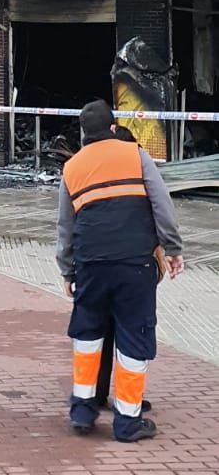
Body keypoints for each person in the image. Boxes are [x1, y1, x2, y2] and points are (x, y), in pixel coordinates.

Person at [56, 98, 184, 443]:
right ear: (113, 128)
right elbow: (162, 203)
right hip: (134, 264)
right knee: (132, 336)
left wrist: (68, 272)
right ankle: (128, 421)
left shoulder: (72, 168)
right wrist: (171, 249)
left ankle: (83, 409)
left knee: (87, 335)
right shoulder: (135, 154)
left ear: (83, 134)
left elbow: (65, 228)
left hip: (90, 266)